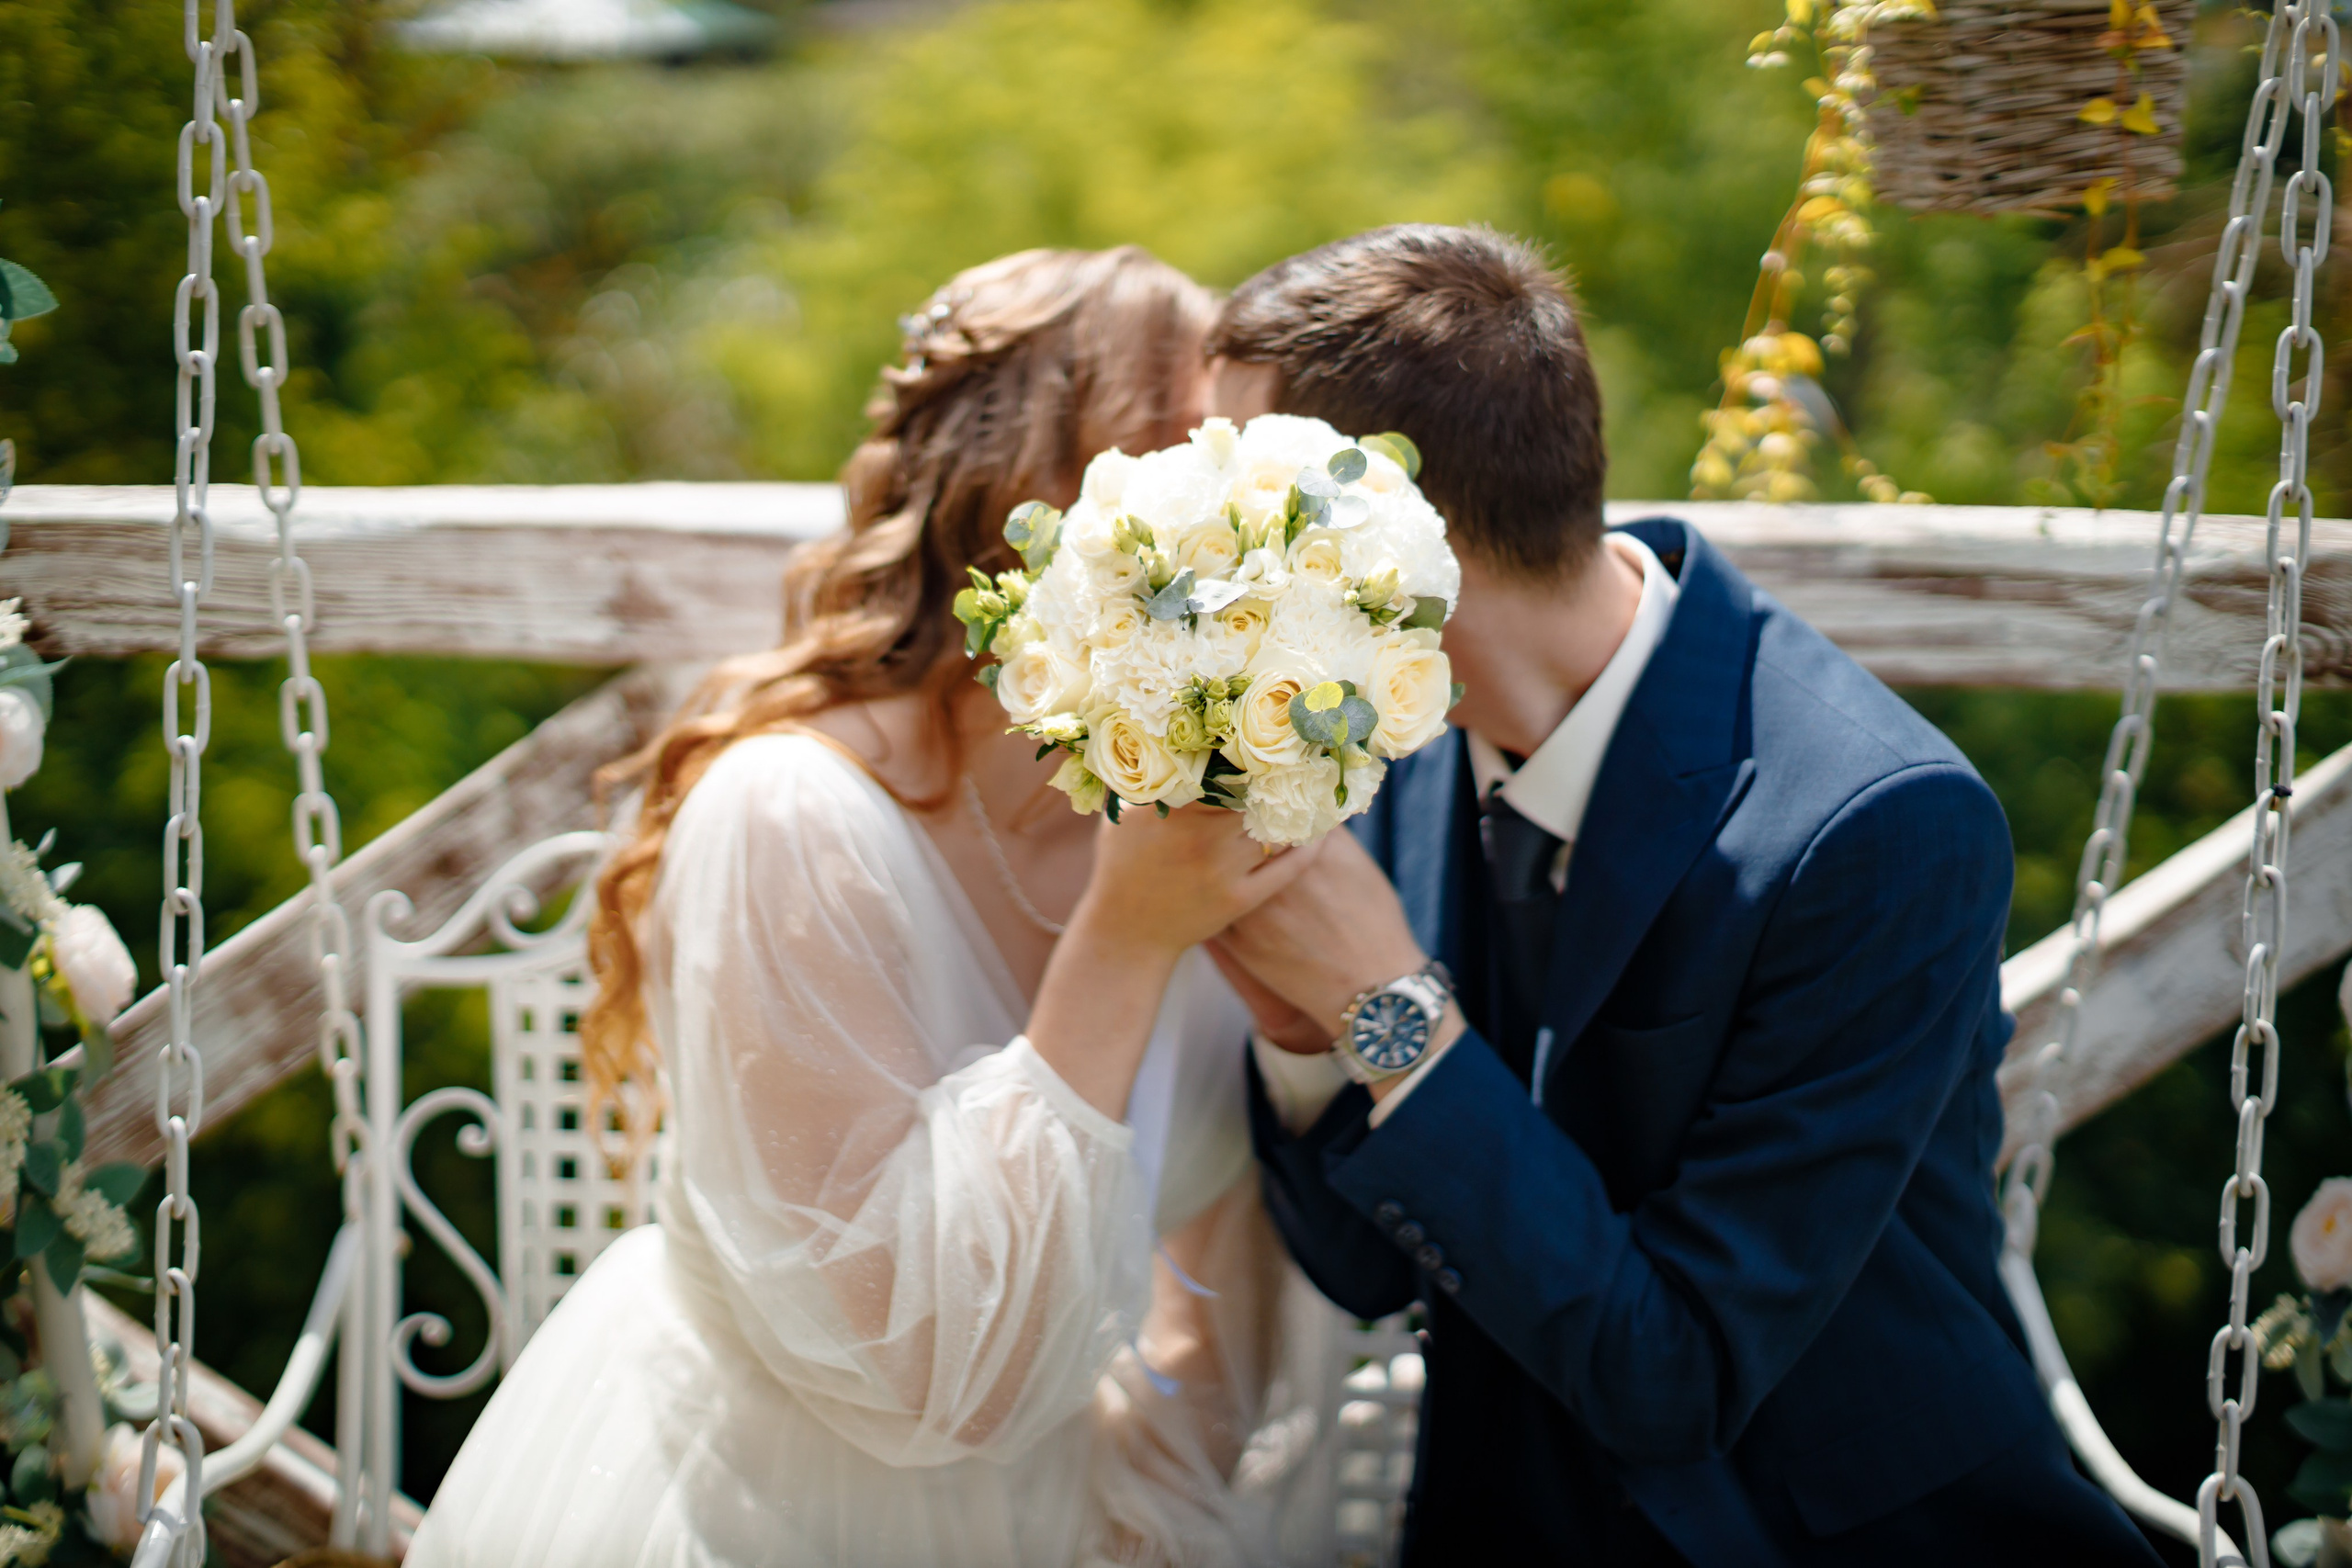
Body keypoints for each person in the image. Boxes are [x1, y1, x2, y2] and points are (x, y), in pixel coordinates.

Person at [1204, 225, 2164, 1565]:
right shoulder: (1388, 741)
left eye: (1237, 512)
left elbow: (1683, 1377)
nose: (1214, 565)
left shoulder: (1873, 827)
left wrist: (1392, 1015)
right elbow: (1373, 1269)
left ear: (1383, 546)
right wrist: (1309, 1040)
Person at [409, 247, 1342, 1568]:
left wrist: (1158, 1482)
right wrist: (1125, 942)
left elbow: (1236, 1234)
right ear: (1020, 491)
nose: (1244, 528)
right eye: (1177, 454)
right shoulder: (792, 819)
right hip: (761, 1517)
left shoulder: (1215, 802)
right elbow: (918, 1378)